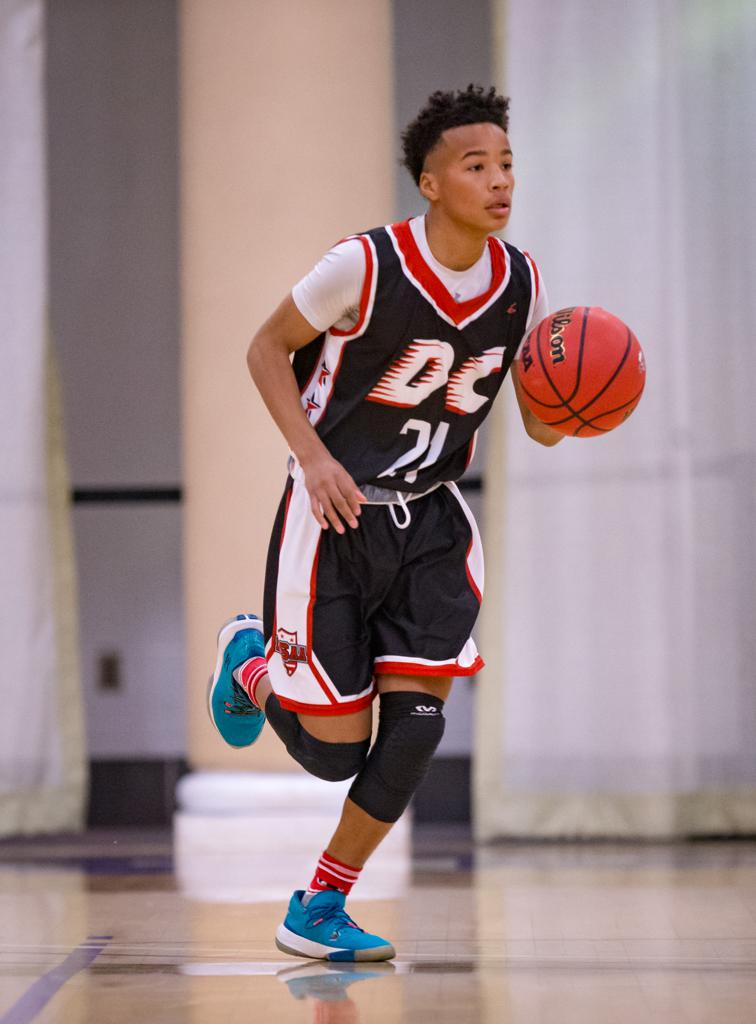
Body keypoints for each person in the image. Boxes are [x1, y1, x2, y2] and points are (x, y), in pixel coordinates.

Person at [207, 84, 563, 963]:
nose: (499, 181)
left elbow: (545, 420)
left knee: (418, 730)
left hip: (433, 527)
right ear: (432, 183)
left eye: (507, 164)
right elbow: (264, 348)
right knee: (334, 756)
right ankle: (253, 663)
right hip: (336, 514)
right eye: (477, 166)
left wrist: (589, 397)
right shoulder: (364, 266)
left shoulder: (521, 282)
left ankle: (319, 905)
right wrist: (314, 458)